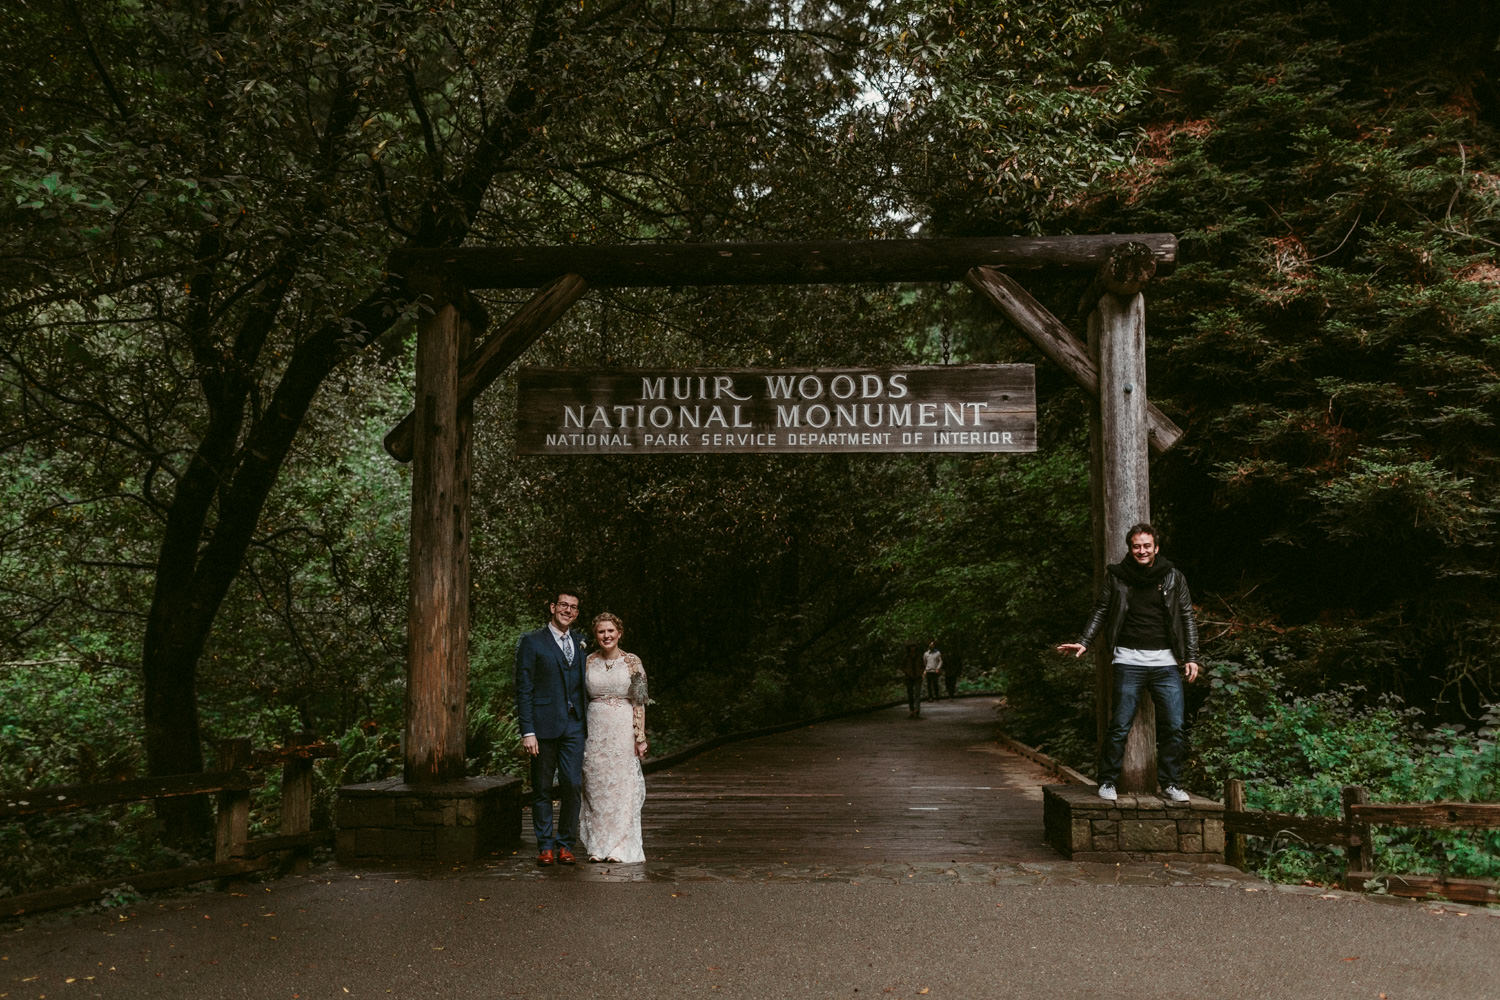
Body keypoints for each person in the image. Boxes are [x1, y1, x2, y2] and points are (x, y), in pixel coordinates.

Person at [1055, 523, 1201, 804]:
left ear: (1156, 548)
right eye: (1136, 546)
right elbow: (1101, 610)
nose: (1142, 550)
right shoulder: (1117, 577)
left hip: (1165, 663)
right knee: (1120, 724)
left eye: (1147, 545)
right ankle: (1108, 780)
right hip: (1128, 660)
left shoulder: (1173, 577)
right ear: (1130, 548)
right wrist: (1084, 641)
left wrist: (1192, 657)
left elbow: (1186, 617)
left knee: (1174, 726)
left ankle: (1171, 783)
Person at [515, 589, 587, 865]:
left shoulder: (581, 642)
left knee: (572, 784)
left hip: (574, 726)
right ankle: (545, 845)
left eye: (574, 607)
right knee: (542, 788)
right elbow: (524, 689)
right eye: (563, 605)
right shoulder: (532, 642)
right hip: (543, 727)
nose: (568, 610)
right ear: (552, 607)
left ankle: (565, 844)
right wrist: (527, 730)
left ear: (577, 613)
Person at [578, 611, 649, 863]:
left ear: (619, 633)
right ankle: (598, 844)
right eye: (601, 631)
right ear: (596, 635)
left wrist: (640, 736)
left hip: (622, 729)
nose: (606, 635)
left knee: (621, 786)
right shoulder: (587, 661)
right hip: (595, 728)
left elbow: (639, 701)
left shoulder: (632, 662)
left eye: (610, 631)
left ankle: (620, 845)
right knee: (596, 785)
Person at [900, 642, 924, 718]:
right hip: (909, 677)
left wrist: (920, 673)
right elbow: (902, 666)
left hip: (918, 677)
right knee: (910, 694)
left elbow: (923, 666)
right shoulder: (906, 657)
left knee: (917, 694)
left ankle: (917, 711)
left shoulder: (919, 657)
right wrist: (907, 672)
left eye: (914, 647)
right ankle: (911, 711)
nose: (912, 648)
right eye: (911, 647)